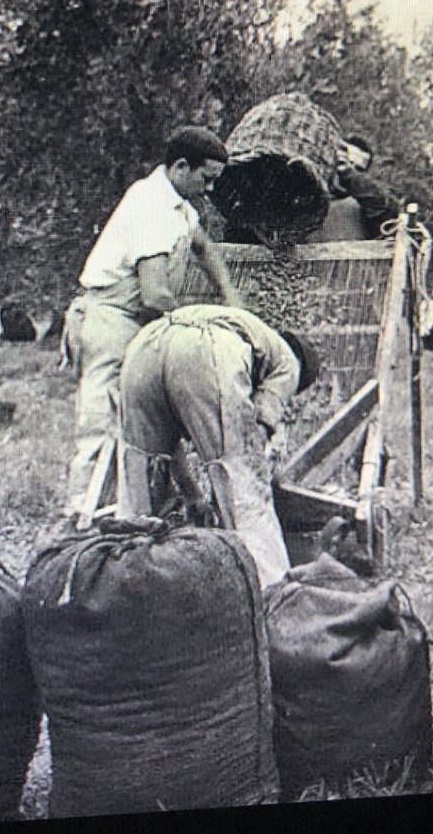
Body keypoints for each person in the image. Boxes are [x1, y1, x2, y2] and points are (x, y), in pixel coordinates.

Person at [63, 128, 242, 516]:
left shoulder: (180, 207)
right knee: (102, 418)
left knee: (148, 411)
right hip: (111, 317)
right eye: (206, 178)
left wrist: (231, 298)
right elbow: (155, 294)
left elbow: (204, 248)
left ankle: (147, 502)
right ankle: (82, 510)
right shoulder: (150, 205)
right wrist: (200, 329)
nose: (210, 189)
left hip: (137, 320)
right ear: (181, 167)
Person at [115, 303, 320, 588]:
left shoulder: (252, 334)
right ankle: (271, 591)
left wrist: (193, 496)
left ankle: (125, 585)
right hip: (204, 349)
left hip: (144, 346)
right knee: (244, 489)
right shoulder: (290, 362)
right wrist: (243, 480)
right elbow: (256, 433)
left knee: (143, 477)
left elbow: (167, 448)